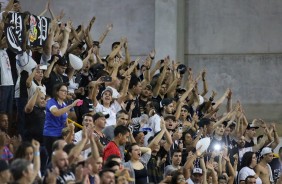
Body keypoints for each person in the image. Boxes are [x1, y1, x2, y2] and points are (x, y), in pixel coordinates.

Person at [43, 83, 80, 157]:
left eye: (66, 91)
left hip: (60, 134)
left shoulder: (64, 104)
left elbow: (65, 119)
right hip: (51, 134)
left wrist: (68, 128)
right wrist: (72, 105)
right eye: (63, 91)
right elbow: (56, 113)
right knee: (53, 157)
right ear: (57, 92)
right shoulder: (51, 102)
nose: (65, 93)